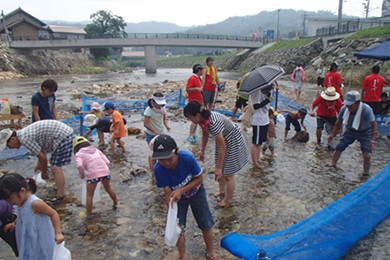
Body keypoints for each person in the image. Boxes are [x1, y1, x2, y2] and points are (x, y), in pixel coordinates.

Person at [152, 134, 220, 260]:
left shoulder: (187, 158)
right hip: (178, 199)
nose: (166, 163)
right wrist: (172, 216)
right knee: (178, 228)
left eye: (169, 159)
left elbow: (199, 178)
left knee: (205, 223)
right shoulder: (158, 169)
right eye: (162, 160)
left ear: (177, 151)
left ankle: (211, 252)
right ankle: (183, 255)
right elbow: (167, 193)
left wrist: (181, 190)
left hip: (196, 192)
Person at [184, 101, 248, 207]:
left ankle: (227, 200)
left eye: (190, 117)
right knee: (220, 167)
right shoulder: (203, 120)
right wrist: (202, 150)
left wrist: (218, 168)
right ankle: (222, 191)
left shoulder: (213, 123)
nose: (190, 120)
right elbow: (205, 134)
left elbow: (222, 147)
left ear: (197, 115)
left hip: (233, 140)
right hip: (224, 141)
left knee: (227, 174)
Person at [0, 120, 75, 202]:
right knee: (52, 165)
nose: (10, 148)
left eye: (8, 146)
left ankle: (60, 196)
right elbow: (41, 150)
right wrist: (39, 165)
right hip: (61, 134)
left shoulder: (25, 139)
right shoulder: (22, 134)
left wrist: (44, 172)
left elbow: (43, 158)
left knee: (55, 167)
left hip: (63, 136)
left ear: (12, 139)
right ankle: (56, 186)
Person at [0, 174, 64, 260]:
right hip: (28, 237)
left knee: (41, 255)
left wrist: (58, 233)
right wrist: (14, 223)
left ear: (22, 191)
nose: (9, 203)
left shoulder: (35, 203)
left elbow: (53, 214)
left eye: (10, 200)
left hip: (39, 237)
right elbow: (22, 216)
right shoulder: (19, 202)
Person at [328, 91, 377, 175]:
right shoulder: (344, 109)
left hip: (365, 132)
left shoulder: (366, 110)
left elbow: (374, 125)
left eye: (351, 105)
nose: (349, 107)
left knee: (367, 155)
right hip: (350, 130)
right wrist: (333, 134)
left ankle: (365, 173)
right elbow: (338, 122)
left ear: (357, 103)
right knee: (339, 146)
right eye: (347, 105)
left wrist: (372, 141)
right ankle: (333, 164)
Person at [73, 136, 118, 215]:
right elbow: (107, 162)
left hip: (93, 175)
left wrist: (82, 174)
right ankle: (115, 203)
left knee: (89, 195)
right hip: (105, 172)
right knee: (108, 188)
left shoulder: (79, 154)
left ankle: (88, 214)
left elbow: (79, 165)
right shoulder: (96, 150)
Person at [144, 93, 171, 184]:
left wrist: (166, 126)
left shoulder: (162, 109)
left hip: (160, 133)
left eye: (161, 104)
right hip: (151, 134)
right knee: (152, 154)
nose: (160, 105)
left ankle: (160, 170)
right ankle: (153, 173)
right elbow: (146, 124)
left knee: (161, 152)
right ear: (153, 101)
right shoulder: (149, 110)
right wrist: (154, 131)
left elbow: (164, 119)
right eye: (158, 103)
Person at [250, 86, 273, 168]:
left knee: (259, 142)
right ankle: (254, 162)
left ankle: (258, 159)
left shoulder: (268, 91)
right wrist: (267, 100)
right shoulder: (257, 91)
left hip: (264, 120)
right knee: (255, 142)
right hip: (258, 120)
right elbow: (255, 106)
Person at [186, 64, 204, 143]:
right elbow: (188, 89)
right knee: (194, 119)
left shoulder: (199, 79)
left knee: (198, 119)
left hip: (199, 101)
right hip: (193, 102)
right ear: (199, 70)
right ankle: (190, 135)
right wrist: (197, 89)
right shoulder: (192, 78)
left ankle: (193, 134)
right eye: (201, 70)